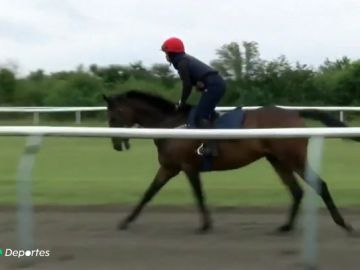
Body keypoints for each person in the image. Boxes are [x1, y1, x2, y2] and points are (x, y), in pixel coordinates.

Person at [161, 37, 226, 157]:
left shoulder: (182, 63)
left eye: (166, 53)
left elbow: (186, 85)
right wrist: (199, 83)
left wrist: (182, 102)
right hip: (215, 83)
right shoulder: (184, 60)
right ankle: (216, 132)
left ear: (171, 53)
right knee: (204, 112)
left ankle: (212, 148)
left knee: (200, 116)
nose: (165, 56)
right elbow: (194, 79)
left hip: (214, 85)